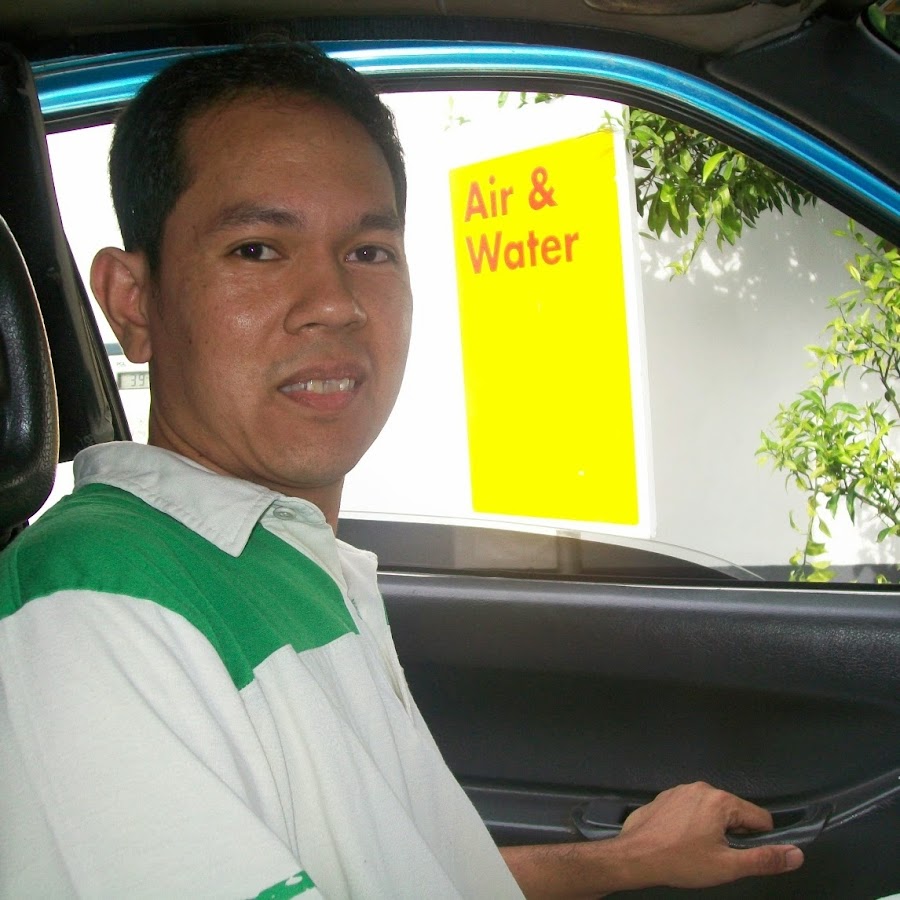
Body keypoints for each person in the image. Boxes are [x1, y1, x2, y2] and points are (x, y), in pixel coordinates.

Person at [0, 43, 804, 898]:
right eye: (257, 250)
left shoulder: (281, 556)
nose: (335, 304)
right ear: (133, 301)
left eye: (369, 252)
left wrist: (619, 863)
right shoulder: (90, 610)